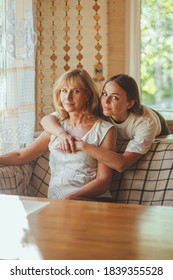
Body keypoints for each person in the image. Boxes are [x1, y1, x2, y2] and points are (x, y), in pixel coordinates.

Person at [0, 69, 116, 200]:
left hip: (91, 202)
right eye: (64, 91)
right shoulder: (57, 126)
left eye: (76, 91)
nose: (68, 98)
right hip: (57, 205)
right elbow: (22, 155)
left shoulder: (105, 130)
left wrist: (70, 197)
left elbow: (104, 181)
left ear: (88, 95)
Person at [40, 73, 170, 172]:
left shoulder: (145, 124)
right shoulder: (103, 108)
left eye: (115, 97)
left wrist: (82, 146)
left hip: (160, 126)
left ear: (129, 103)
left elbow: (121, 164)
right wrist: (62, 134)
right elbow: (46, 120)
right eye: (104, 94)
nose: (106, 101)